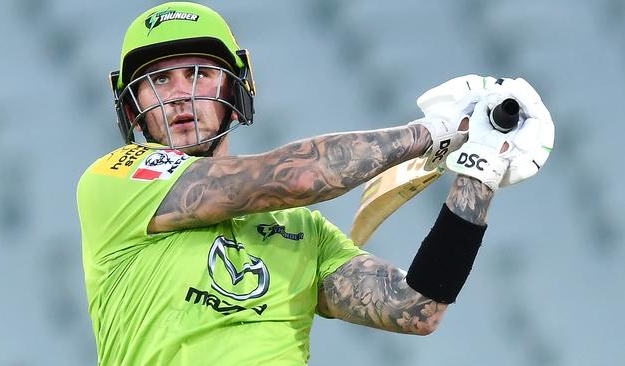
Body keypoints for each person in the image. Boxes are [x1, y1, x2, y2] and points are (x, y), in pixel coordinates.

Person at [77, 2, 554, 365]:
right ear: (131, 102)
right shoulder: (115, 180)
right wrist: (430, 134)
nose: (179, 94)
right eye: (158, 80)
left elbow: (418, 307)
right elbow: (301, 176)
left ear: (234, 89)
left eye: (199, 73)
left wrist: (479, 172)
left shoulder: (303, 231)